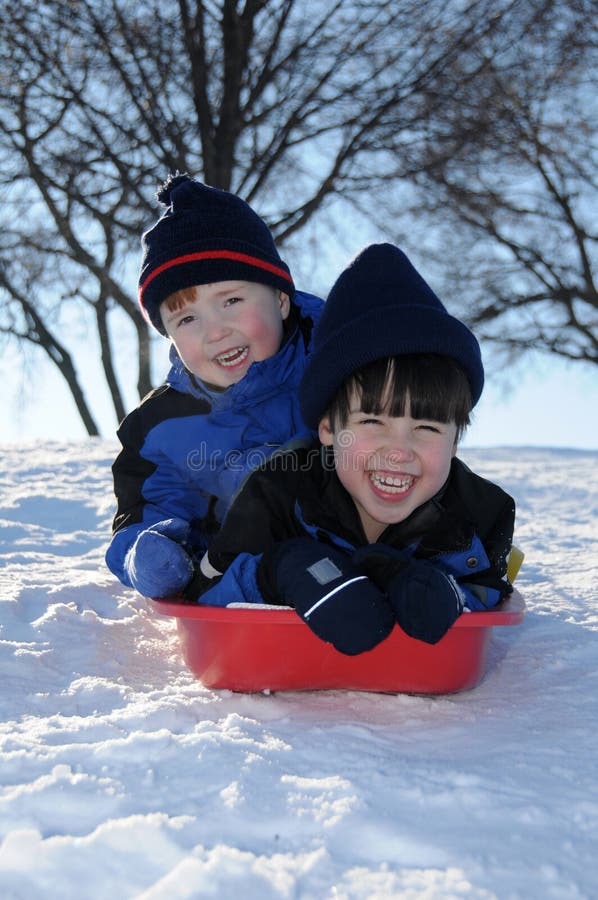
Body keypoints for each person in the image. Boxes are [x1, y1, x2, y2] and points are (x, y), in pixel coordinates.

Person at [187, 243, 517, 656]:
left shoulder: (481, 513)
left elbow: (492, 597)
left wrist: (449, 593)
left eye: (427, 426)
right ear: (328, 428)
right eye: (373, 421)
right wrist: (277, 572)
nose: (399, 451)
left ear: (455, 441)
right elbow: (202, 595)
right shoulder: (279, 493)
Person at [105, 173, 323, 600]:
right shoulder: (160, 426)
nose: (215, 331)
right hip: (238, 591)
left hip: (359, 565)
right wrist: (152, 555)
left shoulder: (341, 370)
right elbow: (149, 508)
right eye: (187, 319)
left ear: (281, 299)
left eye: (231, 301)